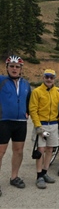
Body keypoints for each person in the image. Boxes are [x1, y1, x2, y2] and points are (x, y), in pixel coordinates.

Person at [0, 56, 31, 196]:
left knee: (18, 151)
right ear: (7, 67)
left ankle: (14, 177)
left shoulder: (26, 84)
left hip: (20, 123)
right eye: (11, 66)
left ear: (21, 69)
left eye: (17, 66)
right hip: (4, 121)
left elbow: (29, 99)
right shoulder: (1, 80)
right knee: (0, 152)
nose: (14, 69)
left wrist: (28, 112)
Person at [29, 69, 59, 189]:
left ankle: (45, 172)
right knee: (40, 150)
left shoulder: (57, 92)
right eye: (47, 77)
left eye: (51, 77)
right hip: (42, 124)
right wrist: (37, 126)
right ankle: (39, 176)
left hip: (53, 124)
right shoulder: (37, 92)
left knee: (50, 149)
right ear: (43, 78)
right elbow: (33, 109)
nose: (49, 79)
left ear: (54, 79)